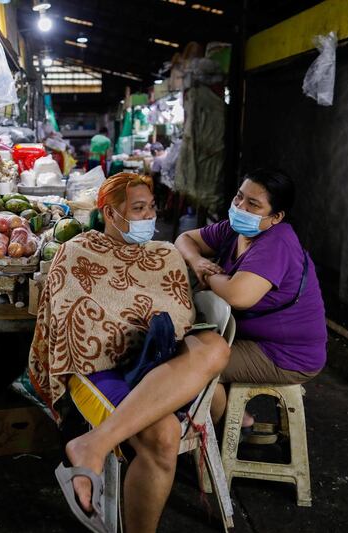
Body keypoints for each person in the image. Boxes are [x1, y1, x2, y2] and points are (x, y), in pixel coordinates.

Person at [28, 173, 230, 533]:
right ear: (109, 213)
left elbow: (182, 316)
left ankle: (92, 445)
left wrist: (154, 332)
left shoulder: (166, 254)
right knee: (164, 434)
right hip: (102, 367)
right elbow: (68, 331)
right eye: (138, 209)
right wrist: (127, 333)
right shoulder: (75, 252)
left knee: (214, 346)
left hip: (161, 362)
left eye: (151, 208)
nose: (148, 217)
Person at [175, 169, 327, 429]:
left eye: (253, 204)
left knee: (190, 364)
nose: (240, 207)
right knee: (184, 348)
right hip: (252, 339)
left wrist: (209, 277)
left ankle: (225, 430)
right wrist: (198, 261)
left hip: (284, 353)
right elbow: (185, 238)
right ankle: (233, 420)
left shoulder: (277, 243)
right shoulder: (235, 231)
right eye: (239, 197)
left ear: (276, 217)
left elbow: (238, 295)